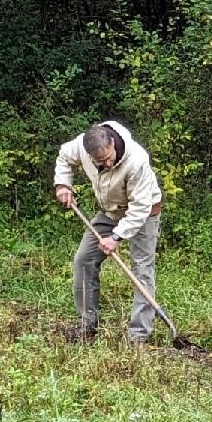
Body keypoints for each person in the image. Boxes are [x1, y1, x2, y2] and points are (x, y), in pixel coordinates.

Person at [53, 120, 162, 343]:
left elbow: (140, 208)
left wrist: (115, 237)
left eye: (109, 157)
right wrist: (62, 184)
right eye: (100, 162)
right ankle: (87, 325)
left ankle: (138, 335)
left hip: (143, 214)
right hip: (111, 213)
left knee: (142, 269)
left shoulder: (137, 160)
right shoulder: (82, 147)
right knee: (84, 259)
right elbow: (64, 156)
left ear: (112, 142)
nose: (107, 163)